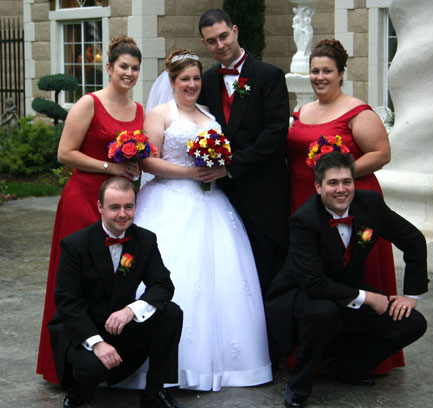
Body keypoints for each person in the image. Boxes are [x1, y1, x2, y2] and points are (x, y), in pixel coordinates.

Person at [134, 49, 273, 392]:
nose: (192, 84)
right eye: (185, 79)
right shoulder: (159, 114)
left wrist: (219, 168)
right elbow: (148, 162)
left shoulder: (209, 115)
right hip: (168, 200)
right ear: (172, 81)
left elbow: (223, 156)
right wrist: (190, 173)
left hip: (212, 205)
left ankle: (226, 366)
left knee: (222, 278)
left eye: (196, 78)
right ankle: (167, 366)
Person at [267, 152, 428, 408]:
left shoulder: (371, 204)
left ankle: (346, 365)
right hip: (302, 294)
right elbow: (313, 283)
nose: (341, 190)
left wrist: (411, 294)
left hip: (344, 290)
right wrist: (368, 297)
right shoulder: (304, 220)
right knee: (323, 311)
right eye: (332, 183)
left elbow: (414, 241)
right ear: (318, 187)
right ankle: (298, 386)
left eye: (347, 181)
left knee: (412, 323)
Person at [286, 38, 403, 373]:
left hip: (348, 203)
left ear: (340, 74)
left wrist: (339, 175)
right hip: (304, 203)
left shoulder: (357, 111)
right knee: (316, 277)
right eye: (314, 71)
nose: (319, 77)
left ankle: (359, 355)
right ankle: (317, 350)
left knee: (356, 274)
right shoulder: (302, 112)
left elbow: (382, 154)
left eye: (327, 71)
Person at [37, 35, 143, 384]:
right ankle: (64, 364)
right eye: (123, 67)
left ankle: (103, 360)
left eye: (135, 68)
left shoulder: (138, 110)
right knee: (75, 279)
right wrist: (110, 168)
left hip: (117, 206)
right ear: (109, 68)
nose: (129, 73)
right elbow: (65, 153)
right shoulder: (89, 103)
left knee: (109, 280)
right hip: (83, 198)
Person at [47, 177, 184, 408]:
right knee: (93, 368)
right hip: (83, 332)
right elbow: (68, 302)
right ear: (100, 207)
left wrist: (131, 310)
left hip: (120, 326)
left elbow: (163, 285)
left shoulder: (145, 240)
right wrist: (97, 343)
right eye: (114, 207)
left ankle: (154, 393)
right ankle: (77, 396)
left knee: (171, 313)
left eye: (128, 207)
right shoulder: (75, 245)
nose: (123, 214)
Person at [197, 9, 290, 300]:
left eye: (224, 36)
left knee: (266, 272)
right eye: (212, 41)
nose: (220, 45)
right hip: (224, 196)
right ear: (205, 44)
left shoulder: (268, 75)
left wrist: (231, 167)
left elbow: (274, 134)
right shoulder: (207, 81)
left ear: (235, 31)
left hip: (264, 192)